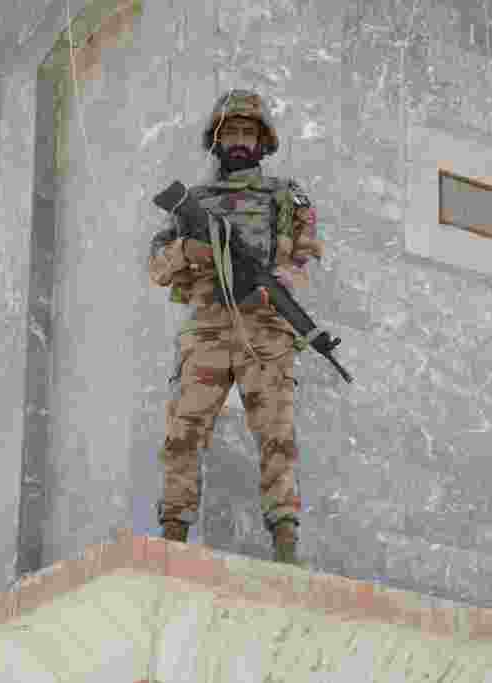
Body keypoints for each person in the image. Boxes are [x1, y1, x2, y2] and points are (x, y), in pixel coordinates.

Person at [147, 89, 325, 564]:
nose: (240, 141)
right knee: (183, 431)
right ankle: (172, 534)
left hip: (265, 327)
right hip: (207, 326)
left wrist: (281, 277)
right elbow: (157, 266)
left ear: (263, 141)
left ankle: (285, 543)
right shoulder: (195, 202)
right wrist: (190, 251)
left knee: (277, 435)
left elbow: (307, 251)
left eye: (248, 132)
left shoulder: (286, 196)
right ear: (217, 140)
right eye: (231, 132)